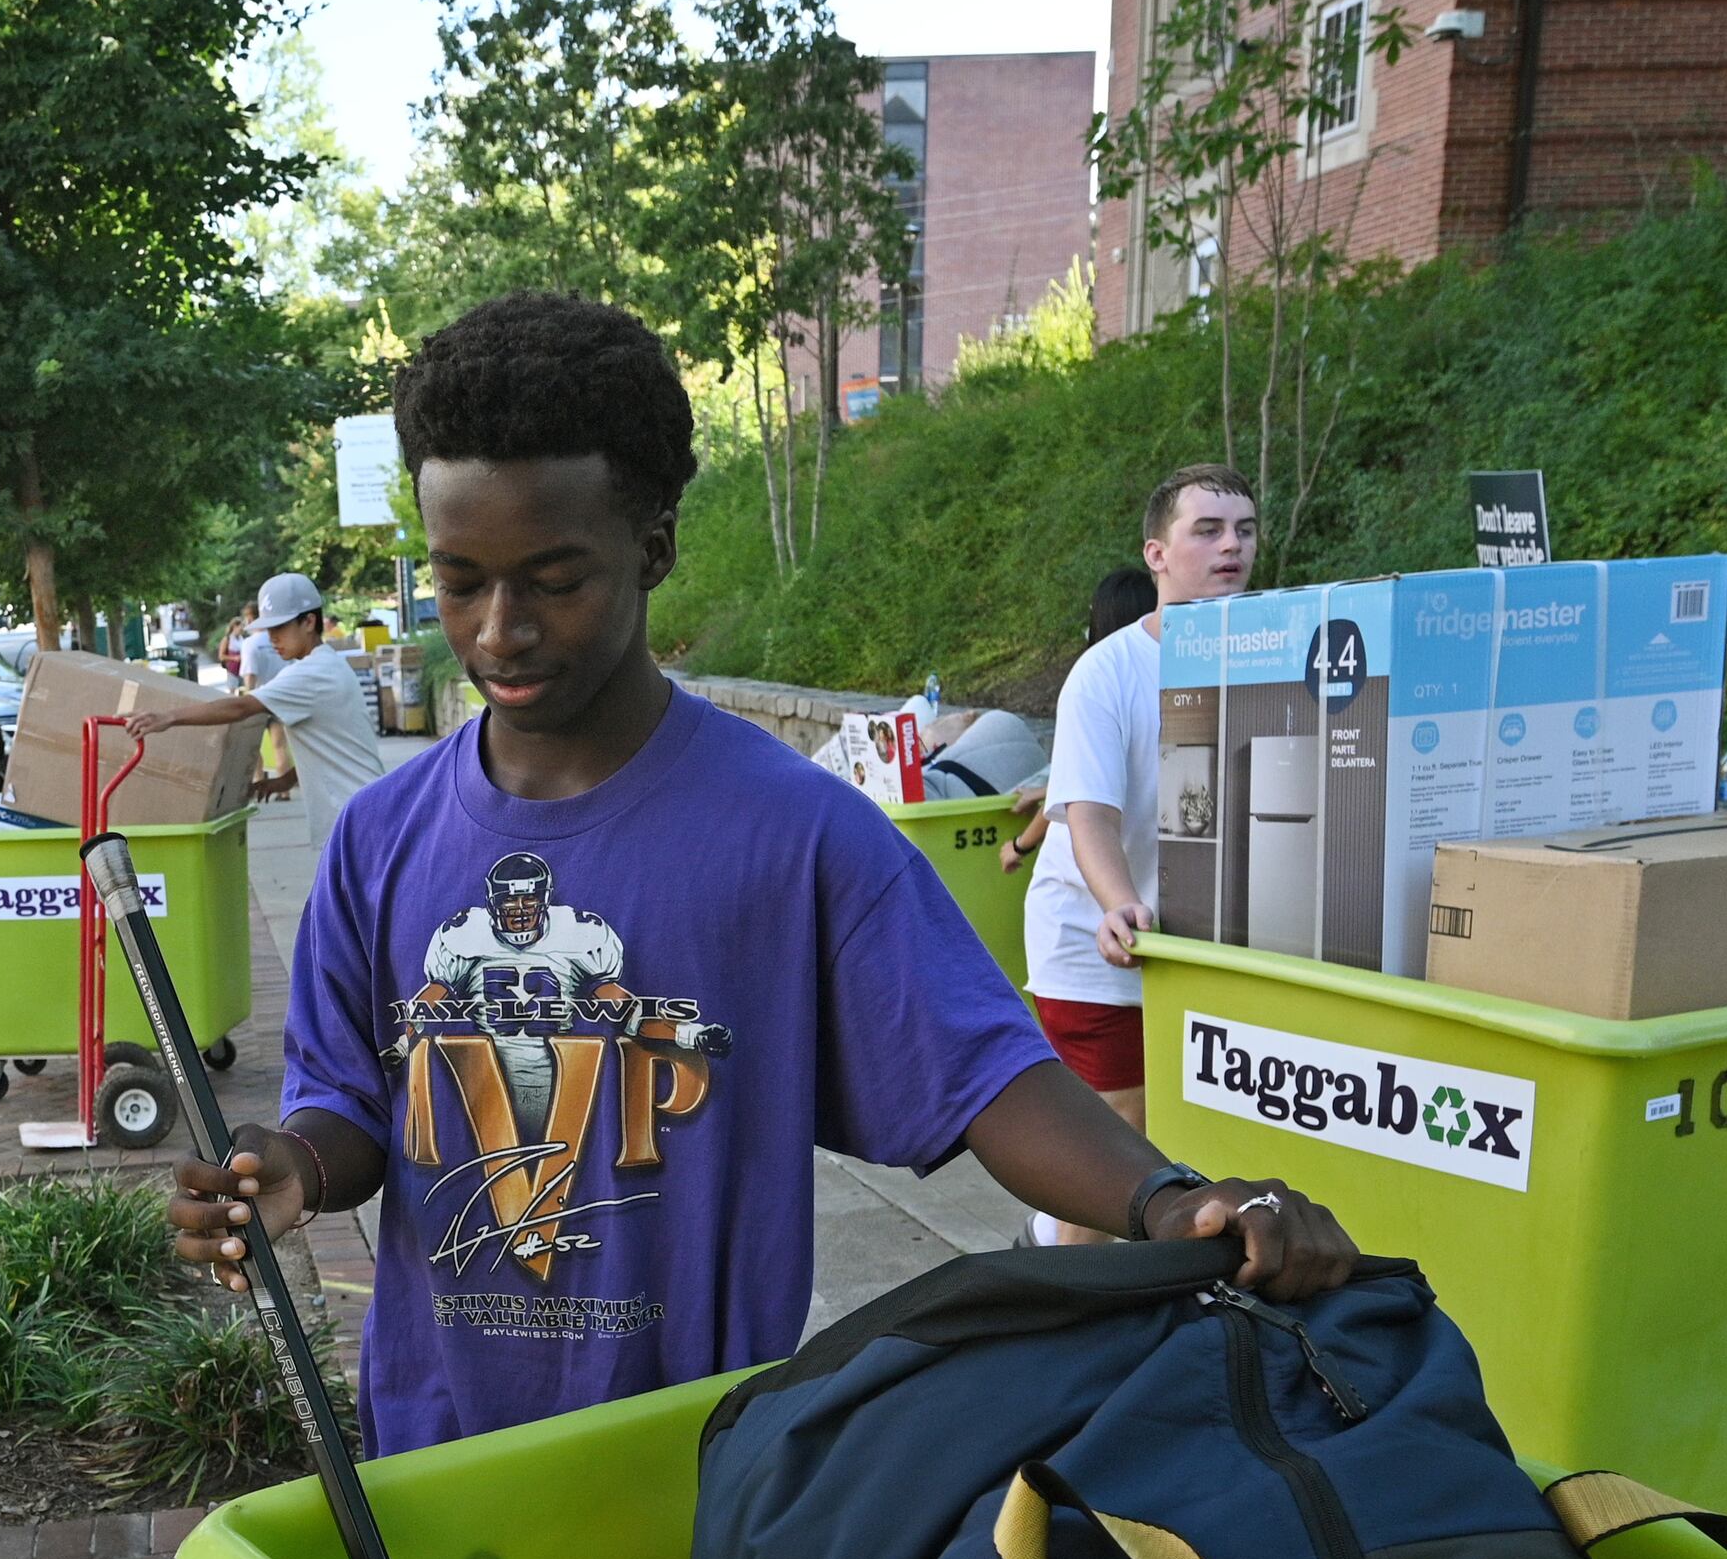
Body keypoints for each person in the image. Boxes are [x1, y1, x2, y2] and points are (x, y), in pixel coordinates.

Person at [169, 295, 1350, 1455]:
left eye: (554, 578)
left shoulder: (798, 836)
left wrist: (1171, 1201)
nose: (497, 630)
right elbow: (352, 1106)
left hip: (701, 1478)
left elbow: (986, 1073)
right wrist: (295, 1165)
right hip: (435, 1460)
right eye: (463, 580)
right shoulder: (379, 843)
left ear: (655, 546)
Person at [1023, 469, 1257, 1245]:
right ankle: (1068, 1311)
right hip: (1099, 943)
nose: (1232, 545)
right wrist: (1120, 902)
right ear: (1156, 553)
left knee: (1192, 1139)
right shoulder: (1107, 673)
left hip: (1204, 948)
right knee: (1120, 1145)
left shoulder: (1269, 657)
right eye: (1208, 529)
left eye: (1245, 529)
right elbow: (1086, 812)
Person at [129, 571, 386, 850]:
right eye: (269, 629)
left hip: (358, 822)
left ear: (309, 621)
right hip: (362, 812)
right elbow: (331, 747)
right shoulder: (327, 665)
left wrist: (168, 717)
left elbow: (242, 707)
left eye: (280, 628)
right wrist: (283, 781)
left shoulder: (312, 672)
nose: (272, 638)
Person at [994, 566, 1162, 874]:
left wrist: (1019, 846)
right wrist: (1046, 789)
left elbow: (1082, 791)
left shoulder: (1093, 685)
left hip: (1078, 880)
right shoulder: (1152, 685)